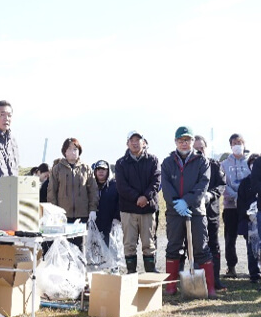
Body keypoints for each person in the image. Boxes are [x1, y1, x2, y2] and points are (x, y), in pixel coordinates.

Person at [161, 126, 215, 298]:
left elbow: (203, 184)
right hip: (175, 212)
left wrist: (188, 201)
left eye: (188, 140)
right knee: (173, 247)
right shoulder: (168, 162)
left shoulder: (201, 161)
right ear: (176, 142)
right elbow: (166, 186)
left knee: (201, 248)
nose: (184, 144)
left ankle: (210, 288)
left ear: (192, 142)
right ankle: (171, 287)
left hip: (196, 212)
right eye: (181, 140)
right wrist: (177, 202)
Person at [115, 131, 161, 273]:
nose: (135, 143)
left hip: (148, 209)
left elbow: (156, 181)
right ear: (127, 143)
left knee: (149, 243)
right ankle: (131, 274)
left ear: (144, 142)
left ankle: (151, 274)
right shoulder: (121, 163)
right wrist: (137, 198)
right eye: (132, 140)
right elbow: (121, 186)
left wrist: (146, 197)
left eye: (138, 140)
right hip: (128, 209)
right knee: (129, 244)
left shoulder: (152, 160)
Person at [47, 138, 98, 248]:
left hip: (82, 215)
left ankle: (80, 265)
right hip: (63, 216)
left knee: (80, 247)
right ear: (64, 151)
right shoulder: (57, 169)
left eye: (75, 149)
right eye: (69, 149)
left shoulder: (86, 168)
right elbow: (52, 191)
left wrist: (92, 210)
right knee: (64, 246)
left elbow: (93, 191)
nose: (72, 152)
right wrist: (54, 212)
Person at [193, 135, 227, 290]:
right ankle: (197, 280)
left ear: (206, 148)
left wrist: (210, 195)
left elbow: (221, 185)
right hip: (193, 213)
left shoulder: (215, 165)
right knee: (195, 247)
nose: (199, 151)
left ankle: (215, 279)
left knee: (214, 245)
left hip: (211, 211)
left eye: (202, 148)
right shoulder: (189, 167)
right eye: (196, 148)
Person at [220, 133, 251, 278]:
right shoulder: (224, 164)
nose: (237, 145)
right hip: (230, 206)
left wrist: (244, 198)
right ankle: (231, 267)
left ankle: (254, 267)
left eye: (239, 142)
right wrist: (235, 196)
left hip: (247, 207)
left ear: (244, 144)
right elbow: (223, 185)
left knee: (250, 237)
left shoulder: (250, 162)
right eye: (234, 143)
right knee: (230, 238)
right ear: (230, 146)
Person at [236, 153, 261, 283]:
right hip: (250, 221)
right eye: (251, 163)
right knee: (252, 249)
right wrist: (245, 218)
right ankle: (254, 274)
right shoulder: (245, 183)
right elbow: (240, 203)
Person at [92, 159, 120, 246]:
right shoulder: (91, 187)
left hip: (111, 225)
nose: (101, 171)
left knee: (111, 252)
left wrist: (117, 218)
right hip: (95, 225)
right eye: (98, 169)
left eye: (103, 169)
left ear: (108, 171)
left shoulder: (115, 186)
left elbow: (120, 203)